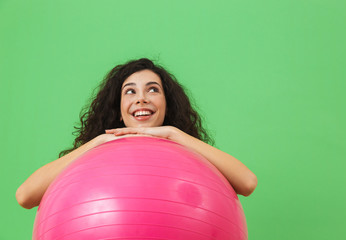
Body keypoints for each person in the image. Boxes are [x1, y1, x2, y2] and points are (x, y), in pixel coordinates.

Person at [16, 58, 258, 209]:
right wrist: (98, 142)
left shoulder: (187, 152)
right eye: (130, 92)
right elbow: (25, 196)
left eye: (152, 90)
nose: (141, 98)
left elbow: (248, 182)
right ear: (119, 111)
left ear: (167, 104)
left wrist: (174, 134)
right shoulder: (97, 154)